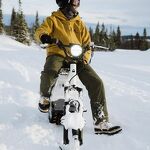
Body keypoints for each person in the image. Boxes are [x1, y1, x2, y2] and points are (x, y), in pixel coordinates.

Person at [35, 0, 122, 135]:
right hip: (57, 54)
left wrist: (86, 58)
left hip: (77, 58)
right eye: (74, 1)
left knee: (97, 83)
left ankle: (100, 122)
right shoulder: (53, 19)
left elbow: (87, 43)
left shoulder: (79, 22)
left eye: (78, 1)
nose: (77, 4)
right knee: (50, 71)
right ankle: (45, 97)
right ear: (65, 2)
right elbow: (41, 30)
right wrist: (45, 37)